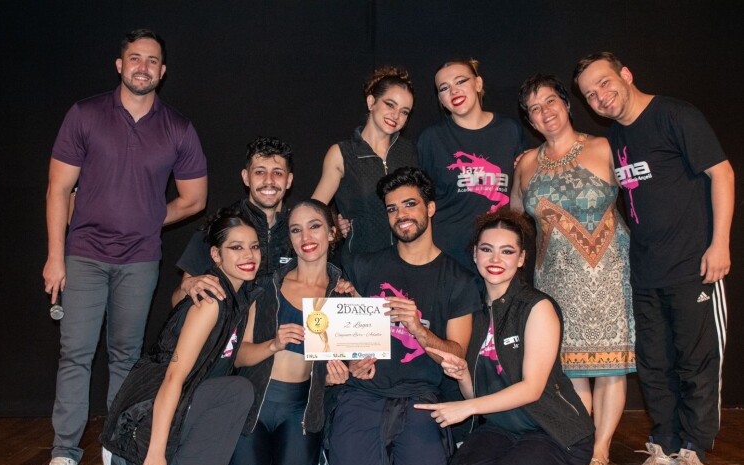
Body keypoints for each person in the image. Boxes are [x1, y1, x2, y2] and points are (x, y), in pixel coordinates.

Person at [32, 28, 208, 465]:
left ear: (162, 71)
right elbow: (58, 189)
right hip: (83, 255)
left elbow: (194, 198)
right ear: (120, 65)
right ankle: (64, 456)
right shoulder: (85, 114)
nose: (142, 67)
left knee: (126, 358)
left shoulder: (177, 127)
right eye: (135, 58)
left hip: (139, 259)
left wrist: (148, 218)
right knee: (75, 354)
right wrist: (55, 257)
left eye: (152, 60)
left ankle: (119, 454)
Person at [575, 51, 734, 465]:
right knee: (655, 367)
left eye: (604, 83)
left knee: (696, 365)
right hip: (645, 272)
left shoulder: (675, 115)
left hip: (693, 267)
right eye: (590, 95)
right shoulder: (618, 135)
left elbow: (722, 173)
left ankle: (694, 457)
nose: (600, 97)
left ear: (626, 74)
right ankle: (664, 451)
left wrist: (720, 243)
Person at [416, 209, 594, 465]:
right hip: (503, 428)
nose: (495, 259)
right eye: (487, 249)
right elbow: (475, 395)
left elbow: (531, 389)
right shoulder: (472, 311)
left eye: (507, 251)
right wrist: (462, 374)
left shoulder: (537, 307)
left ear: (521, 258)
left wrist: (467, 408)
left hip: (554, 431)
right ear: (475, 254)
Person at [329, 167, 481, 465]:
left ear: (430, 208)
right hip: (365, 391)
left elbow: (456, 355)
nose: (401, 215)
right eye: (392, 208)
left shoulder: (457, 278)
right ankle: (373, 453)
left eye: (410, 204)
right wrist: (352, 360)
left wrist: (418, 328)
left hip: (419, 395)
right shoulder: (364, 266)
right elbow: (340, 337)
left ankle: (394, 453)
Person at [510, 74, 635, 465]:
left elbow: (641, 199)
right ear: (529, 120)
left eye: (550, 101)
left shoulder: (605, 148)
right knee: (571, 369)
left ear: (565, 103)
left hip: (609, 274)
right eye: (534, 109)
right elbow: (514, 220)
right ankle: (582, 443)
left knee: (610, 367)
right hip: (554, 279)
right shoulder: (526, 164)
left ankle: (600, 451)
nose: (544, 112)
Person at [99, 209, 259, 465]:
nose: (248, 255)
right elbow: (173, 378)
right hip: (147, 408)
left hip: (179, 404)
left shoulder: (239, 298)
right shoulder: (211, 302)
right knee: (237, 391)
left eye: (254, 246)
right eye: (236, 247)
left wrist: (275, 345)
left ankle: (127, 461)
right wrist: (156, 454)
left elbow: (234, 357)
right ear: (216, 255)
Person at [229, 199, 351, 465]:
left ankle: (311, 456)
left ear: (332, 233)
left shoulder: (343, 294)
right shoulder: (267, 286)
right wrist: (273, 344)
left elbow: (352, 361)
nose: (306, 237)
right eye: (296, 230)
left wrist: (340, 373)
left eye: (315, 227)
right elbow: (239, 357)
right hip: (255, 403)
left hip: (300, 409)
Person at [417, 58, 525, 270]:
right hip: (448, 260)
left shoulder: (509, 131)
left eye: (461, 81)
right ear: (440, 99)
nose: (454, 91)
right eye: (444, 88)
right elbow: (419, 200)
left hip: (496, 260)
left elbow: (521, 190)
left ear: (478, 83)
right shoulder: (431, 139)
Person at [173, 136, 294, 306]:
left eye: (278, 173)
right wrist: (188, 286)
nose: (269, 180)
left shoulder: (301, 230)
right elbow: (178, 300)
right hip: (234, 323)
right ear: (246, 177)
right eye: (260, 172)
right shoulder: (219, 225)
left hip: (287, 323)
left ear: (289, 180)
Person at [312, 66, 417, 260]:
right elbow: (312, 213)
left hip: (405, 263)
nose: (396, 116)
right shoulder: (342, 153)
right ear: (371, 102)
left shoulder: (409, 151)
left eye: (404, 112)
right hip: (359, 264)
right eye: (390, 105)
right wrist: (335, 224)